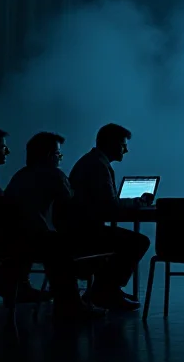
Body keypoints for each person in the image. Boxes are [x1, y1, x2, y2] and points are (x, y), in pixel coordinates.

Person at [4, 132, 105, 319]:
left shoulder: (20, 175)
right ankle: (75, 302)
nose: (60, 159)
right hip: (38, 241)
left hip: (14, 242)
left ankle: (68, 300)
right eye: (59, 155)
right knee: (76, 244)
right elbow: (73, 208)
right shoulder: (54, 175)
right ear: (50, 155)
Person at [64, 123, 153, 311]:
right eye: (123, 145)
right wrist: (138, 202)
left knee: (127, 241)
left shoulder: (92, 161)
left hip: (76, 229)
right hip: (84, 232)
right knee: (137, 242)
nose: (126, 150)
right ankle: (106, 290)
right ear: (111, 143)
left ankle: (104, 289)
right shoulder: (98, 165)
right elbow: (109, 206)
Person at [0, 127, 47, 303]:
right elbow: (2, 208)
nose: (8, 151)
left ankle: (11, 283)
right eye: (2, 147)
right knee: (29, 235)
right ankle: (14, 285)